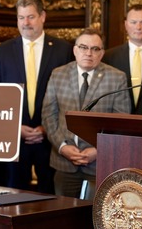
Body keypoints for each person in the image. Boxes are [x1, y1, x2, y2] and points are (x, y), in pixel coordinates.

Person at [0, 0, 73, 193]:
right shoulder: (4, 50)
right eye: (21, 17)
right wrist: (16, 127)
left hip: (51, 139)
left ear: (42, 16)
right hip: (15, 139)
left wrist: (47, 128)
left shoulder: (63, 50)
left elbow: (69, 97)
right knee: (13, 196)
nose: (25, 23)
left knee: (49, 197)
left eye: (31, 17)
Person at [42, 28, 131, 197]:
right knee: (63, 217)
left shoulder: (117, 78)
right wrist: (62, 147)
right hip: (64, 162)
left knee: (95, 218)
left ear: (102, 53)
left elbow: (121, 121)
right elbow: (48, 116)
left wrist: (98, 150)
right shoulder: (58, 74)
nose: (88, 53)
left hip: (99, 163)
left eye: (95, 49)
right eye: (83, 47)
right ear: (75, 50)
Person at [103, 4, 142, 112]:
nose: (138, 27)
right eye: (133, 22)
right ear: (125, 25)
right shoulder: (109, 56)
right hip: (119, 121)